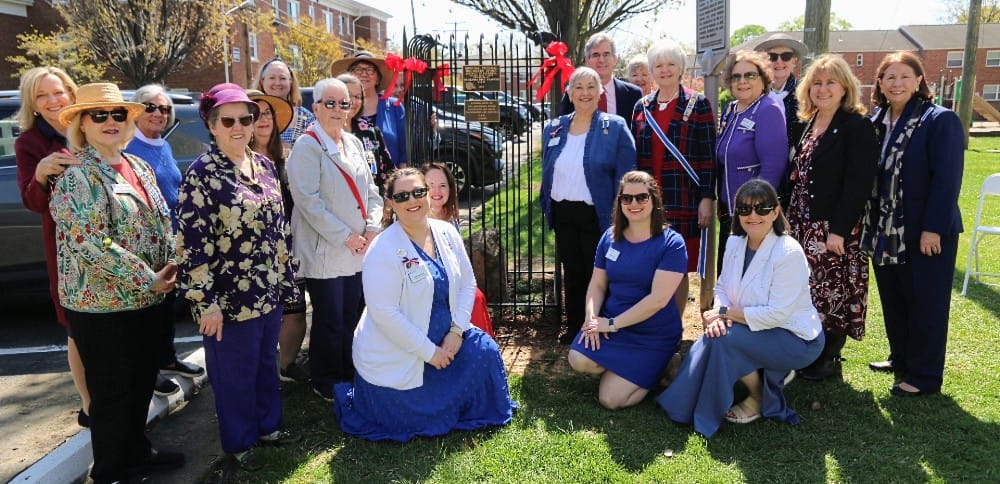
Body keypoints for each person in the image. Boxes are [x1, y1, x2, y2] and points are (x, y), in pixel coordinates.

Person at [51, 82, 184, 483]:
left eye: (118, 114)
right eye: (99, 115)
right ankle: (110, 471)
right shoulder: (77, 175)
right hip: (102, 306)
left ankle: (136, 453)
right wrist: (147, 278)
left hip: (147, 299)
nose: (111, 121)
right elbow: (89, 241)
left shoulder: (138, 165)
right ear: (81, 124)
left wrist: (172, 264)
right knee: (112, 393)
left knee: (141, 383)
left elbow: (162, 222)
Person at [332, 168, 517, 442]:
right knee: (410, 417)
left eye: (418, 192)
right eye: (402, 196)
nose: (412, 200)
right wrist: (430, 353)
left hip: (447, 339)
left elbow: (468, 284)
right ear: (391, 203)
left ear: (428, 194)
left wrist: (456, 333)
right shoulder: (382, 249)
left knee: (486, 350)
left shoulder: (446, 232)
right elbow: (384, 314)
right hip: (400, 349)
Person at [175, 85, 300, 469]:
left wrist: (286, 279)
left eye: (245, 119)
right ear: (211, 125)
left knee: (264, 362)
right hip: (227, 300)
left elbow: (279, 229)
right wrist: (205, 303)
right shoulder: (202, 174)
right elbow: (192, 244)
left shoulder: (263, 165)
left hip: (267, 290)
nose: (238, 127)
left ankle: (268, 426)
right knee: (234, 374)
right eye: (228, 121)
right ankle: (241, 441)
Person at [657, 179, 823, 438]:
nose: (752, 216)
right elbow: (722, 287)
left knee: (723, 340)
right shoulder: (734, 242)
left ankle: (758, 397)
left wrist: (724, 314)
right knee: (715, 335)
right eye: (745, 209)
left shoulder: (789, 252)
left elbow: (777, 314)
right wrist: (721, 313)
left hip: (796, 338)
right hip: (750, 326)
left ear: (775, 212)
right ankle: (694, 397)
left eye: (761, 208)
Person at [862, 51, 964, 397]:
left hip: (924, 231)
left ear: (919, 80)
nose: (897, 83)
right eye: (890, 77)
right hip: (885, 229)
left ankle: (925, 376)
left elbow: (947, 180)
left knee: (926, 304)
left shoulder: (939, 120)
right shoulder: (877, 121)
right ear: (880, 83)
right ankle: (901, 357)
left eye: (905, 76)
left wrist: (933, 228)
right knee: (895, 298)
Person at [286, 77, 384, 401]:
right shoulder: (307, 146)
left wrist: (372, 228)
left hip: (358, 249)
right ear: (315, 108)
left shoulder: (353, 143)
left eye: (344, 103)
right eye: (330, 103)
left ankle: (350, 370)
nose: (338, 109)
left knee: (351, 314)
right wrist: (347, 237)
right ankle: (325, 378)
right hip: (326, 250)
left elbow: (372, 192)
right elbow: (308, 202)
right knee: (330, 319)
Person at [785, 55, 878, 381]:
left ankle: (827, 357)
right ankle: (806, 350)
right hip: (801, 224)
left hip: (832, 228)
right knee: (806, 289)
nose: (822, 89)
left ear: (844, 88)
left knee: (832, 291)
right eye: (816, 83)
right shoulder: (806, 124)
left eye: (830, 83)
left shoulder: (856, 126)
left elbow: (859, 184)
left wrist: (838, 231)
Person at [12, 67, 91, 427]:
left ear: (71, 93)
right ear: (32, 103)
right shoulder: (29, 143)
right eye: (41, 95)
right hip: (66, 247)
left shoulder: (89, 125)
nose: (52, 100)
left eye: (57, 92)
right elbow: (32, 202)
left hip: (109, 239)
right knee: (76, 325)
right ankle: (89, 405)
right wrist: (41, 174)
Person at [569, 171, 686, 409]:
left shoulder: (672, 243)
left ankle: (662, 365)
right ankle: (630, 370)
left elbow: (658, 300)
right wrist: (592, 319)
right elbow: (597, 284)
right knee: (578, 359)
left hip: (652, 333)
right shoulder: (609, 237)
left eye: (641, 197)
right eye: (627, 198)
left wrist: (611, 324)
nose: (634, 203)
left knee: (610, 400)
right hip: (612, 326)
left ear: (654, 200)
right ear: (620, 202)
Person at [540, 67, 637, 344]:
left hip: (598, 214)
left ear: (600, 92)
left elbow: (626, 175)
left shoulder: (614, 127)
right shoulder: (554, 127)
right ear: (569, 93)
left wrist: (622, 214)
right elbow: (547, 167)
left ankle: (600, 327)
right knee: (572, 272)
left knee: (598, 274)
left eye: (591, 86)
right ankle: (575, 328)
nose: (585, 93)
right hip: (563, 212)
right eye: (578, 87)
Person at [125, 84, 206, 396]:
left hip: (171, 240)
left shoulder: (163, 146)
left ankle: (167, 359)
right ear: (136, 110)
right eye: (150, 107)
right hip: (145, 242)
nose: (158, 113)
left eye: (164, 108)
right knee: (147, 311)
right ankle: (148, 372)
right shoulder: (129, 147)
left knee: (166, 307)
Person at [631, 40, 716, 316]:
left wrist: (706, 197)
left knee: (676, 267)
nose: (665, 70)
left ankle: (673, 327)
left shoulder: (698, 104)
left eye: (671, 64)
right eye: (658, 65)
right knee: (648, 264)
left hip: (683, 198)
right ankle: (651, 323)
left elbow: (708, 157)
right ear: (652, 70)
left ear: (680, 68)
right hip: (647, 202)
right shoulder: (641, 107)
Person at [246, 88, 310, 384]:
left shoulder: (287, 157)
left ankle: (286, 366)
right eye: (254, 114)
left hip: (289, 246)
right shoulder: (237, 162)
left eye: (268, 113)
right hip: (253, 253)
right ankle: (261, 371)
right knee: (261, 318)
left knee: (295, 312)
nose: (263, 119)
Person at [716, 51, 788, 268]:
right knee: (728, 275)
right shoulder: (731, 110)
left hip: (754, 216)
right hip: (730, 212)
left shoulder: (768, 109)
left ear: (763, 79)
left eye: (750, 75)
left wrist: (754, 210)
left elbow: (773, 168)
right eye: (736, 76)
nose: (742, 81)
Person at [421, 161, 495, 337]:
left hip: (454, 280)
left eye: (442, 185)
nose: (437, 191)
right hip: (427, 283)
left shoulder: (451, 217)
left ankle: (478, 344)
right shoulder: (417, 220)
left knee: (476, 297)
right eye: (430, 186)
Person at [331, 51, 407, 168]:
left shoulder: (394, 106)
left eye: (370, 70)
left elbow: (404, 151)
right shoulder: (341, 108)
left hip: (389, 175)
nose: (364, 74)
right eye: (358, 70)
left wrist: (401, 177)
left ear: (378, 78)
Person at [560, 32, 643, 128]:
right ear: (587, 61)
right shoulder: (573, 93)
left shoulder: (633, 94)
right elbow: (562, 128)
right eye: (596, 55)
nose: (601, 60)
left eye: (606, 54)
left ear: (615, 59)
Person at [337, 73, 394, 192]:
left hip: (376, 200)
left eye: (357, 97)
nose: (353, 101)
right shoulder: (322, 133)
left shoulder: (370, 131)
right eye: (348, 95)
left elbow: (390, 171)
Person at [755, 33, 809, 144]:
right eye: (772, 57)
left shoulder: (806, 94)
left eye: (786, 56)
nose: (779, 61)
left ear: (794, 61)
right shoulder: (755, 94)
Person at [254, 59, 315, 150]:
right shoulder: (250, 113)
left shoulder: (306, 118)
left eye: (282, 78)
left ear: (290, 81)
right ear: (262, 81)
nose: (277, 83)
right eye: (272, 78)